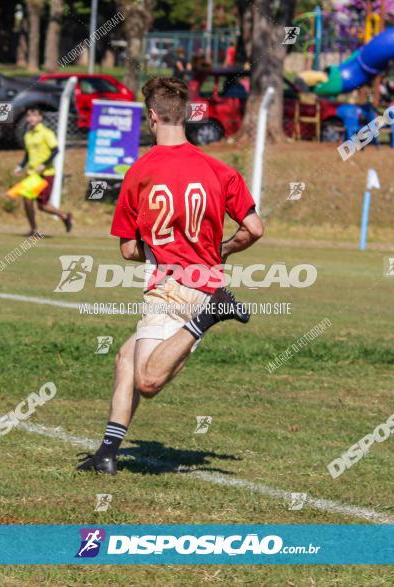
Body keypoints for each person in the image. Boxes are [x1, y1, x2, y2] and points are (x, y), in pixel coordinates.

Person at [77, 77, 264, 475]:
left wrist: (155, 249)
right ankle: (107, 452)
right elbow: (255, 229)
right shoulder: (219, 170)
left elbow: (128, 249)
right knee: (126, 357)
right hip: (205, 281)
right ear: (185, 115)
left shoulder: (140, 171)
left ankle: (209, 317)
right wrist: (223, 249)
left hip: (170, 289)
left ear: (152, 117)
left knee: (148, 381)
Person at [13, 107, 73, 237]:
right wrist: (20, 166)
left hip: (46, 174)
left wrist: (44, 164)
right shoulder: (28, 135)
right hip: (32, 174)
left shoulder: (47, 133)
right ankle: (34, 230)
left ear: (40, 118)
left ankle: (64, 216)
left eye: (34, 115)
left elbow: (55, 150)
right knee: (27, 199)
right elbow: (28, 154)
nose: (31, 118)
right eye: (29, 116)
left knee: (42, 205)